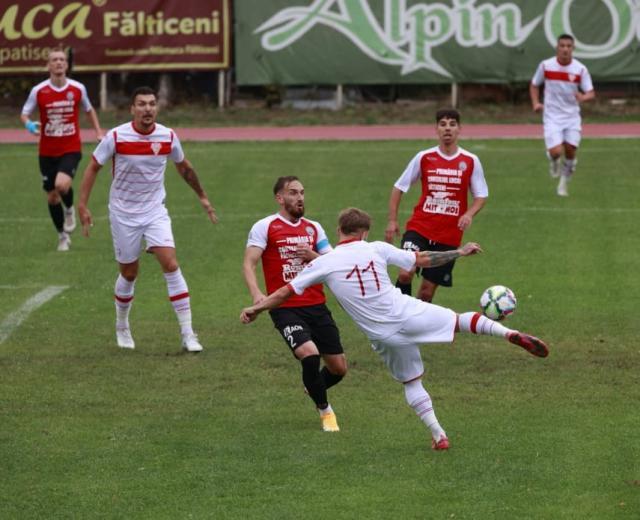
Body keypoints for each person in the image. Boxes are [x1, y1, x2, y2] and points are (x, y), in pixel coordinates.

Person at [242, 208, 549, 450]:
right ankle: (507, 333)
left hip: (381, 335)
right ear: (365, 232)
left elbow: (284, 293)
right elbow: (422, 259)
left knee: (412, 381)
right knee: (459, 321)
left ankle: (439, 435)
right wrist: (459, 252)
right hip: (406, 311)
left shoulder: (326, 262)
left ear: (339, 231)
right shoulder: (376, 247)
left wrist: (256, 307)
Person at [77, 86, 218, 352]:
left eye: (152, 104)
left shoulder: (168, 136)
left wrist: (203, 197)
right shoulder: (116, 136)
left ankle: (188, 334)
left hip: (155, 211)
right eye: (141, 104)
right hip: (123, 214)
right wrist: (82, 205)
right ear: (132, 109)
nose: (147, 109)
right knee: (129, 273)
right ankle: (122, 325)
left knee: (170, 262)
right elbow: (94, 166)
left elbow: (184, 166)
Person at [243, 176, 347, 432]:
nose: (300, 197)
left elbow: (334, 262)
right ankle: (326, 412)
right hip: (284, 307)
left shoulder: (314, 228)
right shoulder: (265, 226)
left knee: (339, 368)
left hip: (316, 305)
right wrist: (257, 295)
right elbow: (249, 263)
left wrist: (313, 256)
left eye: (302, 192)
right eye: (293, 193)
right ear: (280, 198)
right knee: (309, 354)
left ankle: (312, 385)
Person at [385, 108, 488, 303]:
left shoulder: (470, 160)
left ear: (459, 129)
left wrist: (469, 214)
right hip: (420, 227)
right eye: (443, 124)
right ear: (436, 129)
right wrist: (392, 221)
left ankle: (417, 326)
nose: (447, 129)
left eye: (452, 124)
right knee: (406, 272)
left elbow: (481, 195)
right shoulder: (424, 157)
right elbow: (399, 187)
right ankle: (398, 317)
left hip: (448, 235)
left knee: (426, 292)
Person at [20, 45, 104, 251]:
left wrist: (98, 131)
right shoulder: (39, 91)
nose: (58, 62)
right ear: (48, 65)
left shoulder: (77, 88)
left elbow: (89, 109)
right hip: (47, 151)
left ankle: (69, 209)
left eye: (61, 60)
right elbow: (25, 113)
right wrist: (29, 124)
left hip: (70, 146)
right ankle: (62, 237)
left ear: (66, 65)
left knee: (62, 185)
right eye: (54, 60)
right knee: (52, 196)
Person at [530, 34, 595, 197]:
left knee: (571, 151)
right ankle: (554, 161)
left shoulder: (580, 69)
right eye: (562, 46)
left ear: (573, 48)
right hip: (552, 116)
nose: (565, 49)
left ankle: (563, 184)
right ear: (557, 47)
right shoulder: (546, 66)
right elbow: (534, 85)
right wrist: (536, 103)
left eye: (568, 46)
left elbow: (591, 92)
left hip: (572, 117)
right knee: (556, 152)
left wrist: (583, 97)